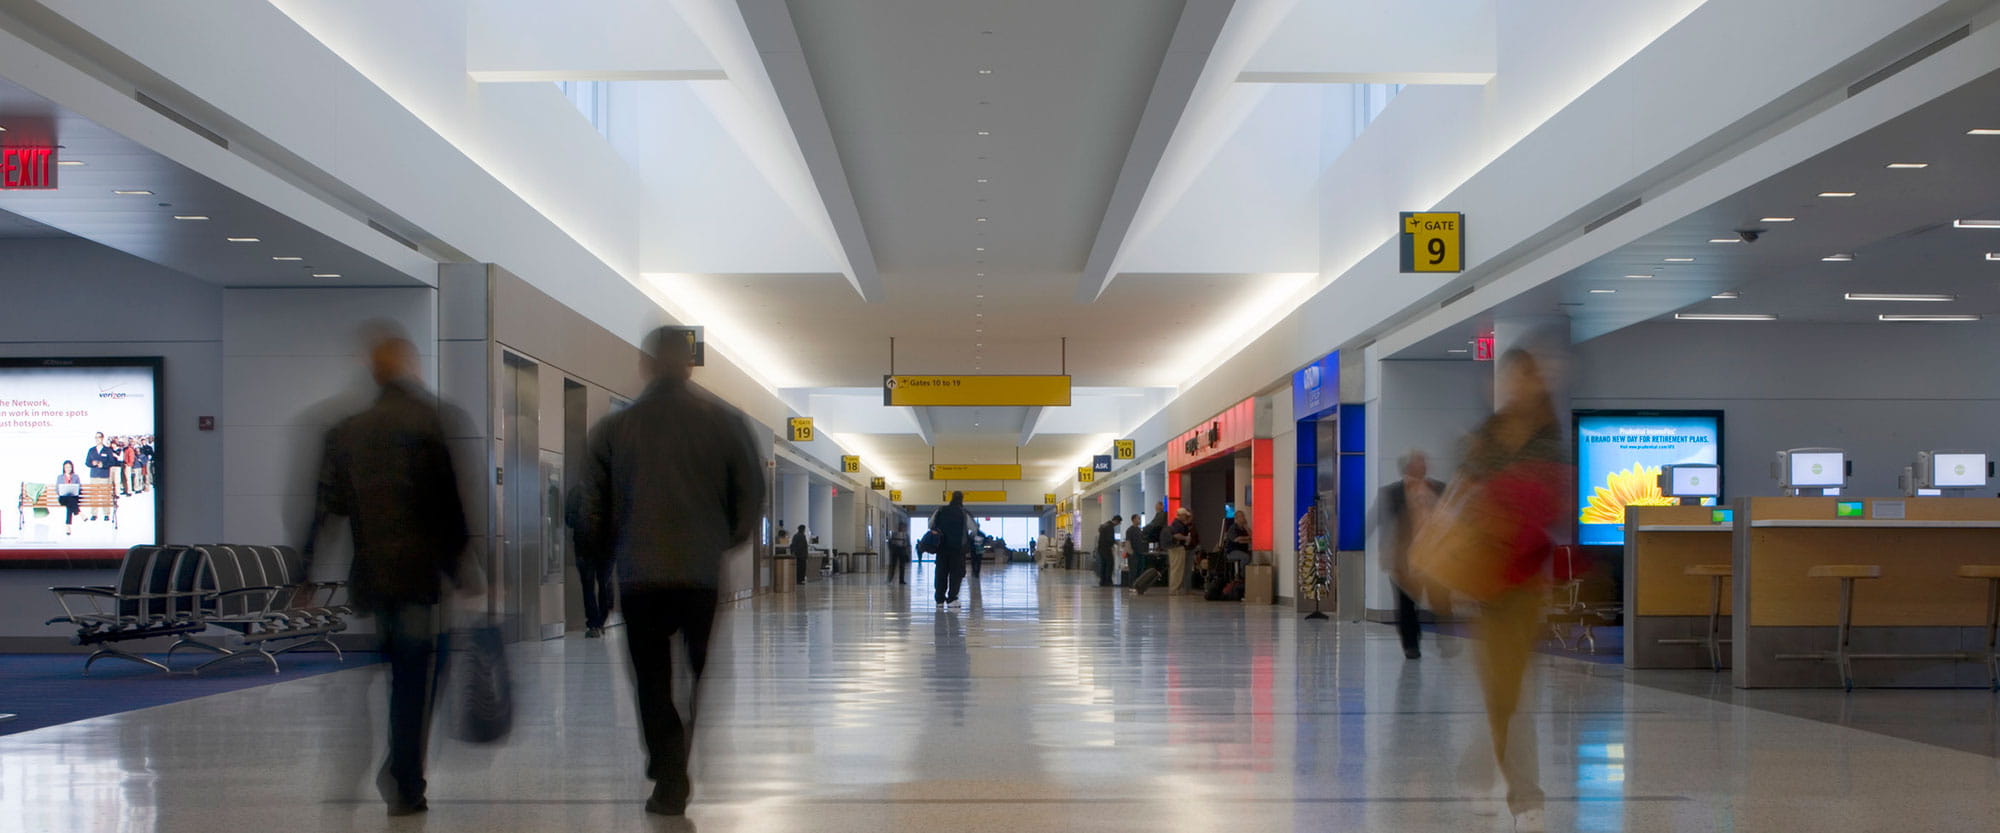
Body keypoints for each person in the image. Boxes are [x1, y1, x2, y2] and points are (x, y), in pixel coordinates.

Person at [568, 325, 763, 817]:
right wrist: (723, 540)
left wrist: (600, 557)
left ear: (648, 362)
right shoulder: (725, 422)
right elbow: (751, 498)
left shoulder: (616, 428)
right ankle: (677, 761)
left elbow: (591, 505)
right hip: (700, 573)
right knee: (698, 676)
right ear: (691, 364)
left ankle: (668, 768)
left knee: (651, 678)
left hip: (641, 575)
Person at [309, 333, 472, 816]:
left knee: (400, 673)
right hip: (421, 579)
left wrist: (305, 572)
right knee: (418, 678)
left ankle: (400, 770)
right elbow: (451, 502)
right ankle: (405, 779)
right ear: (407, 366)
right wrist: (464, 564)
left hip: (374, 579)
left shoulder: (347, 430)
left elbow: (325, 507)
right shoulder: (431, 421)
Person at [1454, 347, 1569, 833]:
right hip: (1485, 577)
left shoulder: (1549, 438)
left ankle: (1500, 784)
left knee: (1513, 692)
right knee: (1503, 691)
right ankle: (1505, 785)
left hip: (1525, 580)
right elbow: (1463, 495)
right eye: (1512, 379)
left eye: (1527, 378)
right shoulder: (1486, 437)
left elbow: (1557, 503)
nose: (1519, 388)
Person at [1376, 451, 1447, 659]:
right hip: (1404, 557)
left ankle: (1444, 639)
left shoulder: (1439, 489)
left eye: (1424, 462)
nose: (1423, 466)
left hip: (1434, 556)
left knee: (1441, 598)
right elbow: (1383, 523)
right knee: (1406, 603)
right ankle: (1411, 644)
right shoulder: (1392, 492)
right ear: (1407, 468)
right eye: (1418, 463)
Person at [931, 492, 972, 606]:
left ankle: (939, 599)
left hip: (942, 548)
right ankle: (952, 599)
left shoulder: (941, 510)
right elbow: (973, 528)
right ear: (961, 499)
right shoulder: (963, 512)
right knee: (956, 574)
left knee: (940, 573)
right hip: (958, 549)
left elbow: (931, 524)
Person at [83, 433, 114, 521]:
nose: (97, 439)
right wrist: (92, 463)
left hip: (104, 476)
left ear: (102, 438)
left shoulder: (107, 450)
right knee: (94, 496)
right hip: (94, 476)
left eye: (99, 437)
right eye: (96, 437)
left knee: (105, 495)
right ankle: (94, 514)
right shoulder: (91, 450)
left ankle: (106, 514)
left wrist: (103, 464)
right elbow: (87, 462)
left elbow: (112, 462)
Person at [1167, 508, 1196, 596]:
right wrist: (1185, 538)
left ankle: (1175, 588)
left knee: (1177, 569)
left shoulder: (1179, 524)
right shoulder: (1178, 524)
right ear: (1181, 515)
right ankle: (1174, 589)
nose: (1186, 517)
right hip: (1177, 548)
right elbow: (1176, 535)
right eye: (1185, 515)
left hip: (1177, 548)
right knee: (1177, 569)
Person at [55, 460, 82, 534]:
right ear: (64, 468)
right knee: (69, 500)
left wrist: (75, 491)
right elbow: (57, 489)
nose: (68, 469)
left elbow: (79, 488)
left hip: (73, 498)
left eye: (69, 467)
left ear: (72, 468)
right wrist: (61, 492)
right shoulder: (60, 477)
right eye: (66, 467)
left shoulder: (76, 477)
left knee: (70, 502)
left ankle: (68, 527)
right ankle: (79, 512)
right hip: (63, 498)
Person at [1123, 514, 1146, 586]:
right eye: (1138, 518)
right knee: (1133, 571)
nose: (1139, 520)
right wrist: (1131, 552)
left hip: (1140, 553)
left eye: (1139, 518)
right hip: (1133, 554)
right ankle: (1132, 586)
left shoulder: (1139, 530)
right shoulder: (1130, 530)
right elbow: (1128, 542)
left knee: (1140, 570)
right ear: (1133, 520)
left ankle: (1138, 586)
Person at [1094, 518, 1118, 587]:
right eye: (1118, 523)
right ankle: (1108, 581)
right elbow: (1110, 539)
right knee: (1110, 564)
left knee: (1103, 564)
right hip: (1106, 548)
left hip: (1101, 548)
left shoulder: (1104, 525)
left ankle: (1102, 581)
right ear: (1116, 521)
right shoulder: (1110, 527)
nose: (1117, 525)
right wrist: (1114, 543)